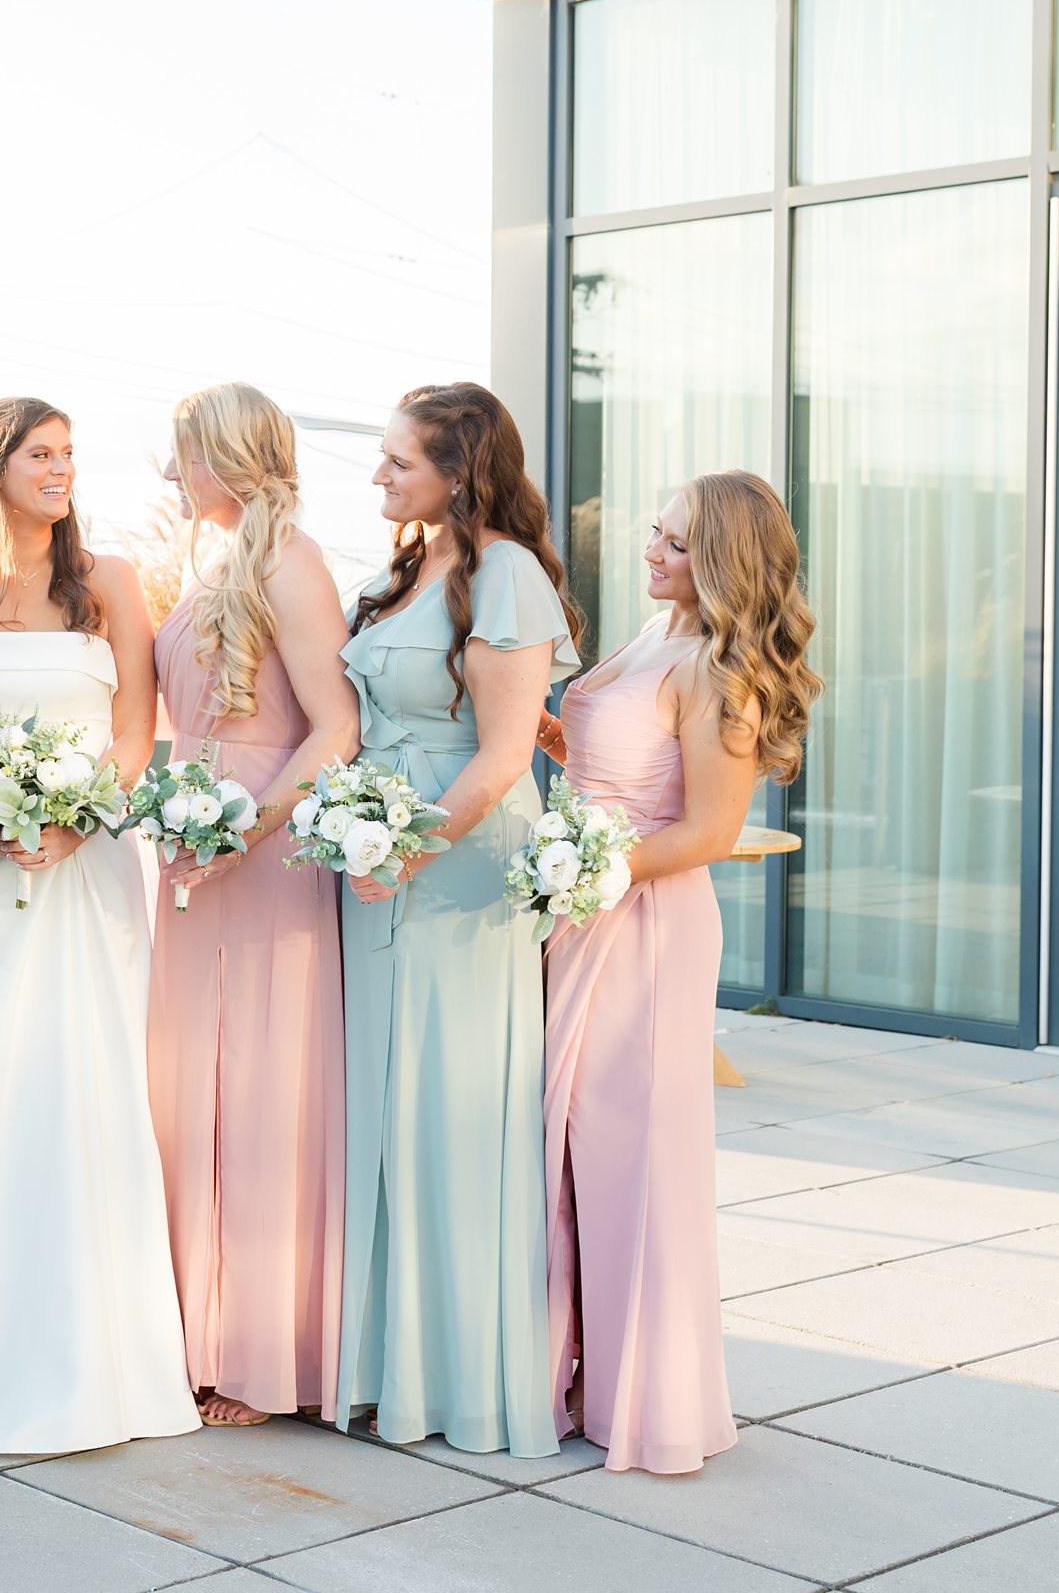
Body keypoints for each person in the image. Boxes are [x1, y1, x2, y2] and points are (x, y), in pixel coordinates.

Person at [0, 395, 198, 1455]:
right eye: (42, 453)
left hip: (83, 872)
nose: (62, 469)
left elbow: (135, 730)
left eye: (71, 453)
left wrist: (78, 818)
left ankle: (91, 1355)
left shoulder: (110, 581)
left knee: (77, 1092)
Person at [536, 470, 820, 1474]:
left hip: (645, 923)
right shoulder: (654, 632)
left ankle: (648, 1396)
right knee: (566, 1147)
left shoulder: (719, 665)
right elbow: (615, 761)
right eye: (654, 532)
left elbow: (708, 826)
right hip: (581, 907)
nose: (652, 551)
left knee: (633, 1159)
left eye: (675, 543)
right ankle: (572, 1370)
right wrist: (545, 739)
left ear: (725, 561)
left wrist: (584, 873)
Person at [335, 381, 579, 1459]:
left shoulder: (509, 576)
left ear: (460, 471)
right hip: (380, 857)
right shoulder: (411, 564)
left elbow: (502, 752)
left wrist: (406, 847)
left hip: (458, 864)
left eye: (399, 462)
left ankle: (459, 1378)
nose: (379, 478)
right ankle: (391, 1363)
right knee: (386, 1105)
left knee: (448, 1105)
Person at [149, 383, 358, 1428]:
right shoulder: (217, 563)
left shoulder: (293, 562)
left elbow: (332, 728)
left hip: (264, 857)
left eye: (184, 454)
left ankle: (257, 1349)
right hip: (192, 851)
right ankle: (189, 1329)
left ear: (227, 458)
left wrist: (251, 825)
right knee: (191, 1089)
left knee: (258, 1091)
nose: (172, 472)